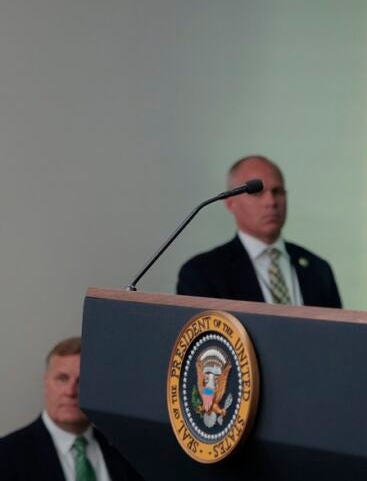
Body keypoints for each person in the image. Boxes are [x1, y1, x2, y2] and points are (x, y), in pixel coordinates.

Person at [177, 155, 343, 307]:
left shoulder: (318, 269)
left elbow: (337, 336)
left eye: (277, 192)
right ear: (230, 203)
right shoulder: (203, 273)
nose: (271, 202)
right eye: (258, 193)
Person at [0, 337, 142, 481]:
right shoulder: (6, 455)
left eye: (82, 380)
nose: (71, 391)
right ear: (46, 383)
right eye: (62, 378)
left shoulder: (126, 452)